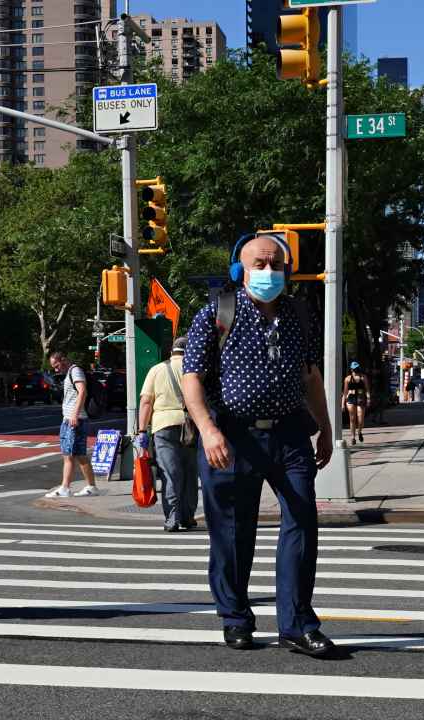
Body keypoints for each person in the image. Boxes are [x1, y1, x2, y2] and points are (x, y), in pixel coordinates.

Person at [181, 233, 336, 658]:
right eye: (259, 264)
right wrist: (209, 431)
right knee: (232, 531)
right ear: (240, 270)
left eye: (276, 265)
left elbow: (310, 378)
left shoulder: (301, 314)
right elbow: (191, 376)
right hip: (232, 437)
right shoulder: (217, 311)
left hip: (289, 434)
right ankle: (235, 619)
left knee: (302, 520)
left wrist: (324, 428)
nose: (269, 272)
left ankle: (298, 624)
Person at [137, 336, 198, 532]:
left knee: (170, 474)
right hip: (191, 425)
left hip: (163, 426)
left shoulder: (157, 370)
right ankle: (188, 517)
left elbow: (146, 402)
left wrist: (141, 430)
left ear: (172, 351)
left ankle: (172, 518)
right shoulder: (193, 369)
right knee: (190, 473)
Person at [45, 351, 100, 498]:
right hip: (72, 419)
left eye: (56, 365)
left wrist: (74, 415)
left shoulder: (75, 371)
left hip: (74, 420)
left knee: (68, 455)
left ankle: (65, 488)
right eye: (54, 367)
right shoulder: (72, 372)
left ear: (63, 359)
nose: (56, 369)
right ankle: (91, 486)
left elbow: (82, 392)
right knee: (79, 454)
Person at [340, 361, 370, 446]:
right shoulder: (348, 379)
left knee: (360, 418)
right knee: (352, 418)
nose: (355, 370)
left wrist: (368, 399)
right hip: (351, 398)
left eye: (357, 368)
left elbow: (367, 389)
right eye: (354, 368)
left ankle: (359, 431)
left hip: (361, 397)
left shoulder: (363, 377)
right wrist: (342, 403)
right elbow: (345, 392)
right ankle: (353, 437)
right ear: (351, 369)